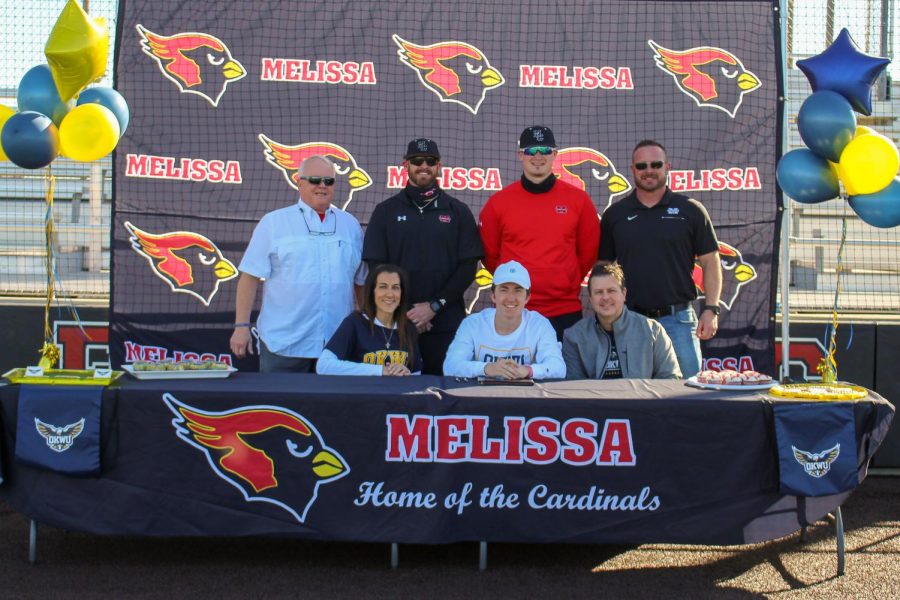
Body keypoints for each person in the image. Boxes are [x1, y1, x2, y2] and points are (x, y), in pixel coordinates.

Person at [230, 155, 366, 372]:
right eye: (315, 180)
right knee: (278, 406)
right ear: (299, 182)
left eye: (328, 181)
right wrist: (241, 326)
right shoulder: (274, 222)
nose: (322, 186)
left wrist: (368, 329)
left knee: (338, 407)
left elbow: (361, 282)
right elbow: (249, 276)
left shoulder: (350, 226)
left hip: (337, 346)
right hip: (284, 346)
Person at [598, 140, 722, 379]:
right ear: (633, 170)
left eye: (655, 164)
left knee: (690, 393)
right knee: (630, 394)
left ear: (667, 167)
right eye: (642, 166)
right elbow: (602, 269)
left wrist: (711, 309)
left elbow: (711, 262)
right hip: (629, 320)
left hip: (679, 320)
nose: (649, 171)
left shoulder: (691, 210)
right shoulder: (616, 214)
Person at [363, 138, 482, 375]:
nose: (424, 166)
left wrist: (434, 306)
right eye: (417, 160)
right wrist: (408, 311)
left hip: (446, 322)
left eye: (430, 161)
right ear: (405, 165)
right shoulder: (385, 211)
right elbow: (377, 267)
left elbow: (468, 267)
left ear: (439, 166)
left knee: (448, 395)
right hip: (396, 323)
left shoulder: (458, 211)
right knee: (395, 396)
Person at [479, 126, 599, 341]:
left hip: (564, 310)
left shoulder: (578, 200)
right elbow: (491, 256)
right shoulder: (498, 203)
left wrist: (564, 279)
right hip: (514, 310)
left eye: (544, 150)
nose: (537, 156)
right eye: (530, 150)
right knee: (511, 374)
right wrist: (514, 287)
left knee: (564, 375)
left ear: (555, 154)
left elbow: (588, 253)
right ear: (520, 155)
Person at [443, 261, 565, 380]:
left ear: (527, 297)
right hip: (482, 397)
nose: (511, 298)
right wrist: (487, 368)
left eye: (518, 290)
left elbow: (559, 368)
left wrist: (528, 370)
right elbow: (450, 366)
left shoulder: (540, 325)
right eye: (504, 289)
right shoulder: (472, 324)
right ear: (493, 296)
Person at [563, 262, 681, 380]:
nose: (605, 297)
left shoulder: (653, 331)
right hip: (595, 398)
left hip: (642, 398)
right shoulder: (574, 337)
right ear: (590, 298)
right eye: (599, 292)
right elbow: (574, 387)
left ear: (624, 293)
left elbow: (670, 379)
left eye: (611, 291)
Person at [317, 264, 422, 376]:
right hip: (363, 392)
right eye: (383, 287)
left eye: (395, 287)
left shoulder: (408, 328)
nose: (390, 294)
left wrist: (405, 372)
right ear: (372, 292)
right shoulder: (354, 323)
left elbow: (416, 375)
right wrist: (380, 371)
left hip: (395, 393)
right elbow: (323, 365)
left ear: (402, 294)